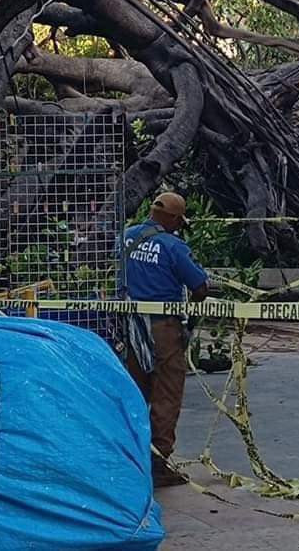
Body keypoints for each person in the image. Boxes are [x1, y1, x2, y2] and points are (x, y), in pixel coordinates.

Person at [121, 192, 208, 488]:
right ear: (173, 218)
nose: (179, 226)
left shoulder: (127, 237)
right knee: (166, 395)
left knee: (136, 392)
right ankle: (159, 463)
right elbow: (200, 287)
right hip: (163, 329)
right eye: (179, 221)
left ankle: (129, 456)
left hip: (132, 326)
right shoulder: (173, 246)